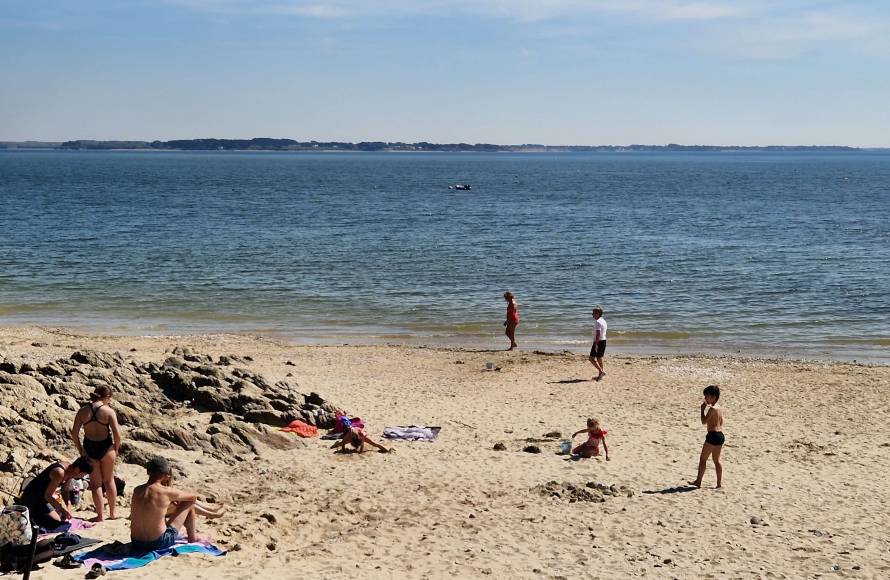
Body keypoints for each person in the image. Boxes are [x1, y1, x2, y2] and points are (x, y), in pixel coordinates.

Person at [71, 384, 122, 521]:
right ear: (107, 397)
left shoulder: (82, 411)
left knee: (95, 484)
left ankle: (100, 515)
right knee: (109, 480)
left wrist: (81, 449)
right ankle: (113, 512)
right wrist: (116, 448)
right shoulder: (108, 411)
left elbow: (74, 434)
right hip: (106, 447)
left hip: (89, 448)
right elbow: (117, 435)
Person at [130, 456, 202, 553]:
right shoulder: (165, 491)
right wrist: (174, 497)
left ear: (148, 472)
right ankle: (193, 537)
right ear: (165, 474)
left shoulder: (137, 490)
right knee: (189, 503)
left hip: (136, 543)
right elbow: (193, 497)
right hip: (158, 543)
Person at [17, 458, 93, 530]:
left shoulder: (71, 472)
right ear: (77, 470)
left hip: (43, 499)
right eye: (83, 474)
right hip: (33, 498)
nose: (82, 477)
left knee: (60, 519)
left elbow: (65, 490)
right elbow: (48, 495)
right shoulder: (59, 472)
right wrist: (61, 509)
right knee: (55, 522)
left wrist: (68, 506)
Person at [690, 385, 725, 489]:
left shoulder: (712, 409)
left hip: (712, 435)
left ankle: (698, 481)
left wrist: (702, 410)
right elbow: (722, 421)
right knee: (716, 460)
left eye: (707, 396)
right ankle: (719, 484)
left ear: (714, 397)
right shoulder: (719, 408)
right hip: (720, 435)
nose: (705, 399)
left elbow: (703, 421)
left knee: (703, 459)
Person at [589, 306, 607, 381]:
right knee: (599, 358)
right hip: (603, 340)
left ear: (598, 313)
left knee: (591, 358)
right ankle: (600, 375)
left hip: (598, 341)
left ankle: (601, 371)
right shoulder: (603, 320)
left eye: (593, 313)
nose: (592, 314)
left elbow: (598, 333)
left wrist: (596, 344)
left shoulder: (598, 322)